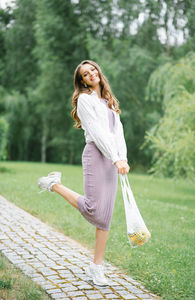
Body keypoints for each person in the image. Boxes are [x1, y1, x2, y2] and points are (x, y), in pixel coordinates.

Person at [37, 60, 130, 286]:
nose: (91, 74)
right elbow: (98, 133)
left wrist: (123, 157)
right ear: (81, 81)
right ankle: (54, 185)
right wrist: (115, 158)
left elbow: (118, 133)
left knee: (105, 217)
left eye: (93, 70)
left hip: (113, 159)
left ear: (98, 72)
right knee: (94, 209)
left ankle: (96, 268)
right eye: (85, 74)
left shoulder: (108, 102)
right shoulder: (84, 101)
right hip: (96, 156)